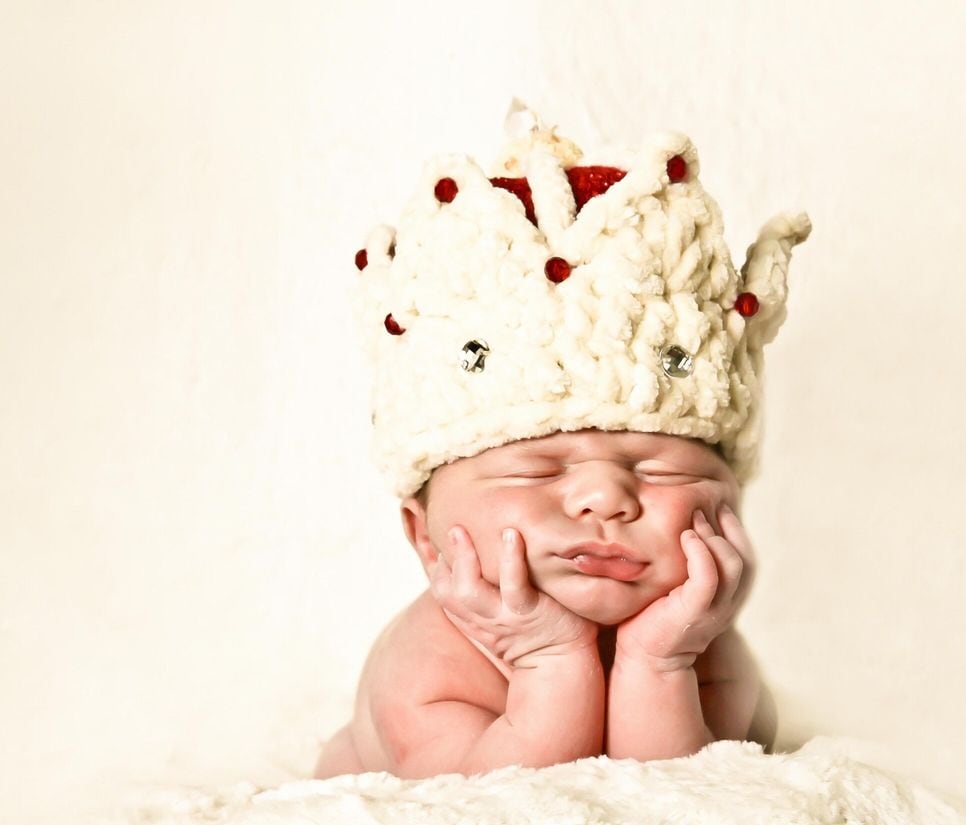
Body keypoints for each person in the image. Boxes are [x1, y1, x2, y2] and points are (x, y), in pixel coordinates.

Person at [313, 98, 811, 780]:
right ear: (424, 535)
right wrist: (551, 661)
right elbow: (494, 812)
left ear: (730, 505)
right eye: (536, 469)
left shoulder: (707, 654)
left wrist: (658, 662)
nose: (606, 497)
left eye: (658, 469)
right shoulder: (427, 665)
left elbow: (685, 809)